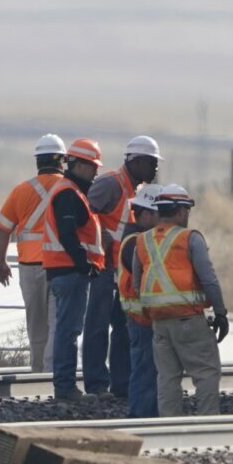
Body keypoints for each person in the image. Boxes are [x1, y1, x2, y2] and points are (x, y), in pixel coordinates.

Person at [135, 184, 230, 415]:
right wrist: (220, 313)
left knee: (167, 377)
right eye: (187, 210)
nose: (187, 215)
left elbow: (138, 282)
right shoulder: (190, 238)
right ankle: (208, 423)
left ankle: (170, 426)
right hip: (188, 319)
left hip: (159, 321)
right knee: (206, 373)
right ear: (179, 211)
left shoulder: (143, 241)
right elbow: (209, 279)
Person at [83, 135, 162, 397]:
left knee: (123, 328)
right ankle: (96, 384)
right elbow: (84, 212)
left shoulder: (138, 191)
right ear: (136, 161)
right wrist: (100, 236)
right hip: (104, 269)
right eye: (151, 163)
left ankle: (122, 384)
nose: (155, 168)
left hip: (122, 271)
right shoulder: (111, 183)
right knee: (97, 325)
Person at [0, 133, 69, 372]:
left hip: (30, 267)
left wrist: (1, 262)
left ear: (37, 161)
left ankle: (37, 375)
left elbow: (3, 230)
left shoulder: (21, 191)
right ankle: (54, 373)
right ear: (62, 160)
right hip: (61, 266)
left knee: (36, 328)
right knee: (58, 325)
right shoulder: (70, 189)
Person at [37, 138, 105, 401]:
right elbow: (67, 233)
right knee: (68, 330)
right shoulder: (68, 194)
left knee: (68, 329)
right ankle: (65, 387)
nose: (96, 173)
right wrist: (83, 262)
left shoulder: (72, 192)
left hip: (67, 270)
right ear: (79, 165)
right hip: (69, 271)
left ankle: (65, 385)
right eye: (93, 167)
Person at [115, 183, 163, 417]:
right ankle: (142, 416)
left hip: (144, 315)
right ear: (145, 214)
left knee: (148, 368)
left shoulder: (138, 238)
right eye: (159, 213)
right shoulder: (135, 241)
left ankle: (147, 414)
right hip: (141, 316)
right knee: (145, 368)